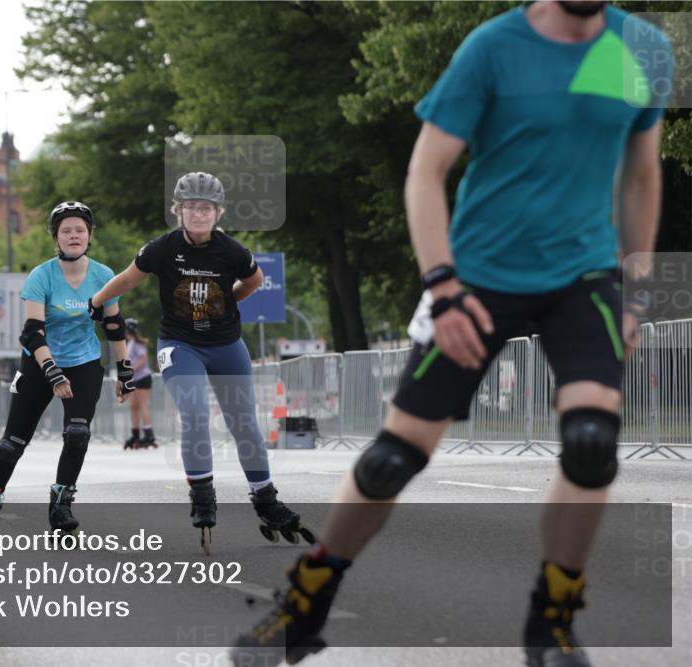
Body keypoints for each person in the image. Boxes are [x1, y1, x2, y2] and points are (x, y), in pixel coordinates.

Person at [231, 3, 672, 666]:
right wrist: (443, 287)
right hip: (479, 276)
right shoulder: (493, 48)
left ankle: (552, 618)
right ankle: (307, 600)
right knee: (390, 460)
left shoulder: (641, 48)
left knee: (591, 443)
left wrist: (636, 293)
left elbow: (642, 174)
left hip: (582, 276)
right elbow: (425, 171)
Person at [89, 172, 312, 554]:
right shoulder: (161, 248)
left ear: (217, 213)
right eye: (190, 207)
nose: (197, 213)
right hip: (180, 344)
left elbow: (255, 280)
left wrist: (227, 304)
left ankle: (265, 498)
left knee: (243, 422)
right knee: (193, 412)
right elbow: (128, 280)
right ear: (178, 211)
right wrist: (95, 302)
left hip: (225, 344)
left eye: (205, 208)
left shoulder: (232, 251)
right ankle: (203, 493)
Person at [0, 201, 134, 548]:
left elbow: (113, 325)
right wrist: (52, 371)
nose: (73, 235)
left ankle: (60, 505)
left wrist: (126, 368)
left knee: (78, 433)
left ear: (89, 235)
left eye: (79, 230)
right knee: (12, 444)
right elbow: (32, 332)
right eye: (66, 230)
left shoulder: (102, 275)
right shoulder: (42, 275)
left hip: (83, 362)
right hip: (40, 363)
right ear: (56, 237)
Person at [122, 317, 157, 449]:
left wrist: (132, 369)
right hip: (135, 379)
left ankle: (149, 433)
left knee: (142, 405)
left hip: (142, 377)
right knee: (133, 407)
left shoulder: (138, 343)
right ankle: (135, 433)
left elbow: (143, 359)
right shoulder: (129, 343)